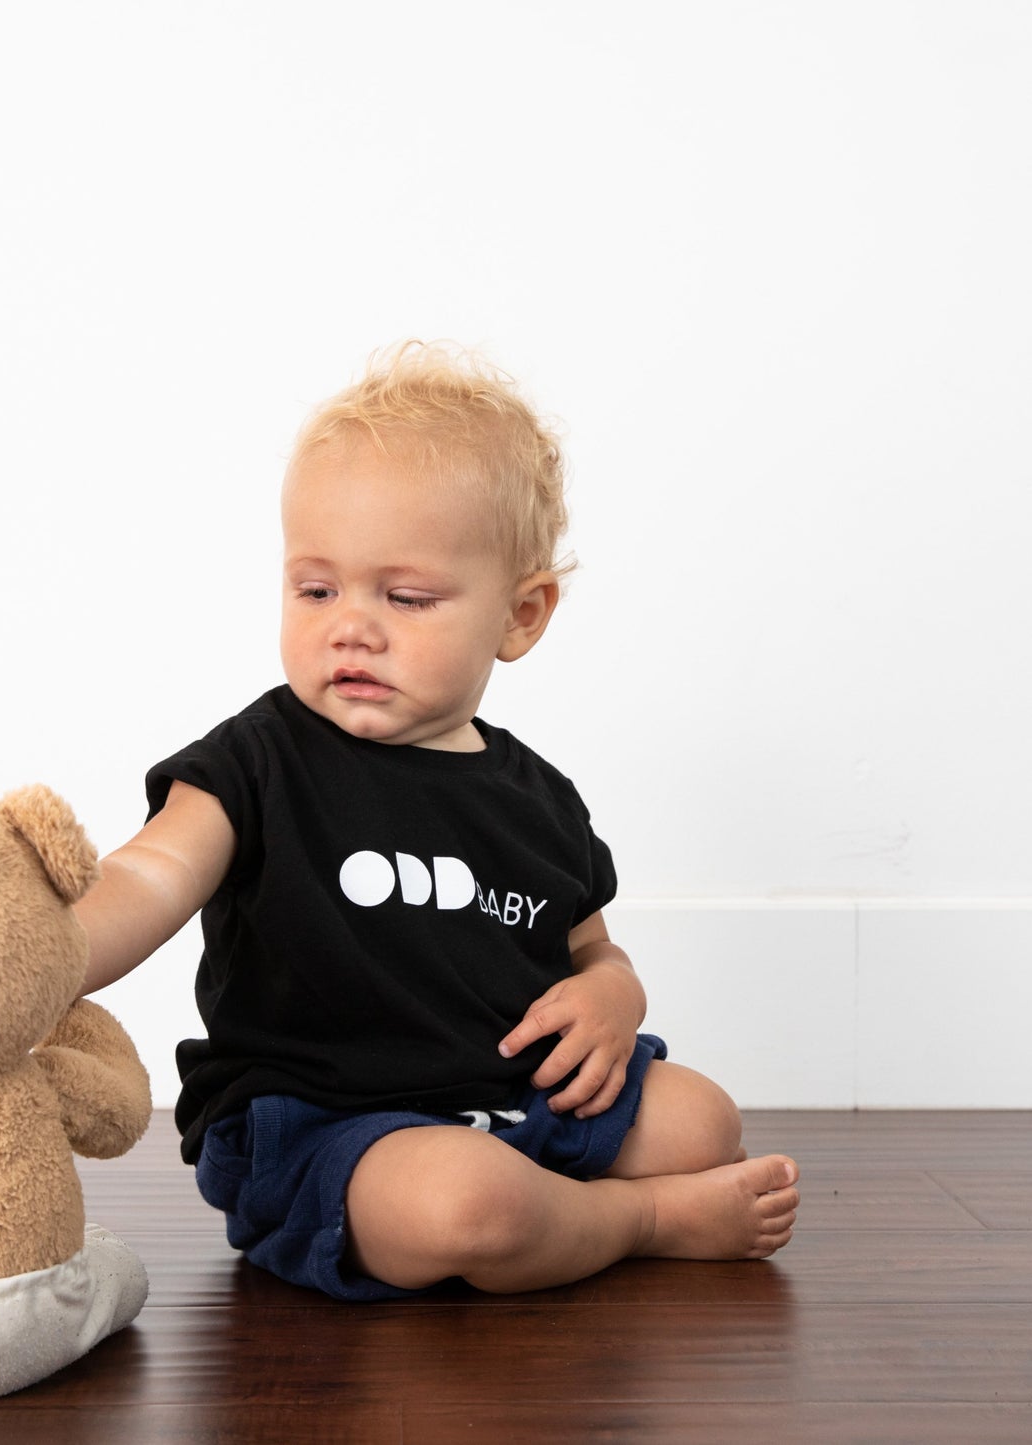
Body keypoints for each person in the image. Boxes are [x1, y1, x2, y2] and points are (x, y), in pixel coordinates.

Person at [76, 342, 799, 1299]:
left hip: (505, 1098)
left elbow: (592, 950)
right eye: (316, 588)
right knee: (469, 1206)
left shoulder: (537, 798)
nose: (351, 625)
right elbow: (147, 875)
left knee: (703, 1121)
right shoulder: (257, 759)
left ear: (521, 615)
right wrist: (44, 957)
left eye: (405, 596)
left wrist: (613, 998)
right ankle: (641, 1221)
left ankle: (548, 1200)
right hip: (324, 1127)